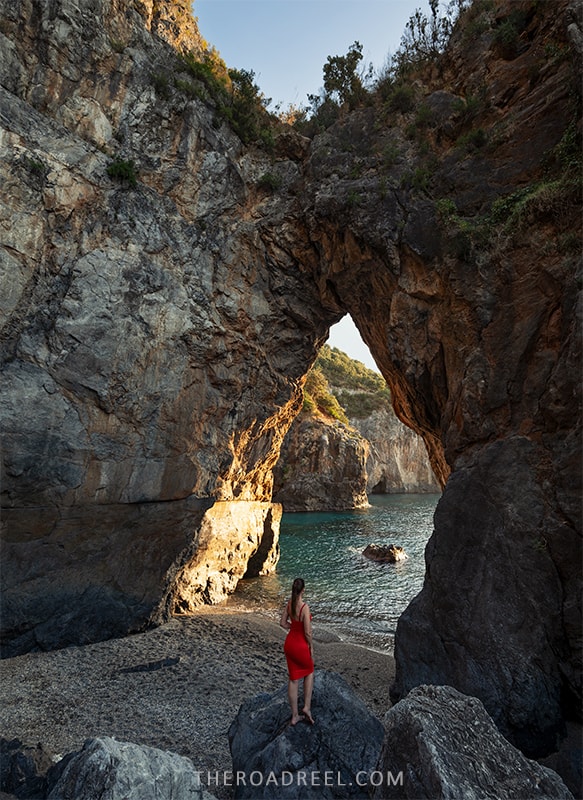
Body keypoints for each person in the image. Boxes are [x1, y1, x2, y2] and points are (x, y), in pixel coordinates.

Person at [279, 577, 315, 725]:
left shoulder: (289, 604)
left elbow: (282, 623)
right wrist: (311, 646)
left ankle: (294, 715)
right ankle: (306, 707)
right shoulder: (304, 607)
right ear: (303, 590)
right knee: (309, 672)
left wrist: (292, 627)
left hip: (289, 644)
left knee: (293, 679)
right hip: (300, 645)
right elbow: (307, 632)